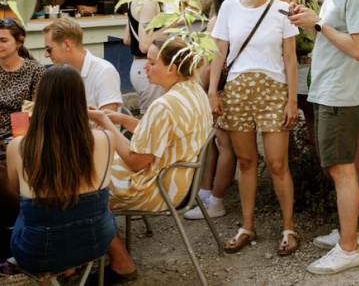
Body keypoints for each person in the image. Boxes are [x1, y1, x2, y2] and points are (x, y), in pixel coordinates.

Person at [89, 37, 211, 281]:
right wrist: (122, 120)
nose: (145, 66)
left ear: (172, 69)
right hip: (181, 180)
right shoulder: (193, 89)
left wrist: (104, 123)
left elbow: (135, 161)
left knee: (84, 189)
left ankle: (119, 263)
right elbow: (159, 135)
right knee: (90, 172)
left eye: (152, 62)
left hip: (159, 188)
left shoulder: (164, 105)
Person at [287, 0, 359, 275]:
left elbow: (357, 49)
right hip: (327, 91)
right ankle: (347, 233)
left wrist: (317, 23)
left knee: (341, 170)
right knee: (337, 168)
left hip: (340, 95)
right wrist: (311, 19)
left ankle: (349, 248)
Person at [207, 0, 300, 255]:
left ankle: (288, 228)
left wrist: (292, 100)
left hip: (274, 91)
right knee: (245, 162)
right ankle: (247, 225)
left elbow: (290, 58)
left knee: (277, 163)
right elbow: (219, 52)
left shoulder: (284, 9)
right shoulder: (230, 8)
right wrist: (212, 92)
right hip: (237, 90)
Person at [7, 65, 117, 274]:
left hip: (37, 253)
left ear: (39, 101)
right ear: (80, 100)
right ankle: (68, 268)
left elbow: (15, 190)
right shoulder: (106, 139)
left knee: (25, 209)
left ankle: (57, 270)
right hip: (97, 243)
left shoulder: (19, 146)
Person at [183, 0, 247, 221]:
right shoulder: (245, 14)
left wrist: (202, 89)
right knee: (228, 146)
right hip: (241, 83)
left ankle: (215, 200)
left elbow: (210, 62)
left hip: (220, 87)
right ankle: (211, 194)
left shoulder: (218, 19)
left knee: (223, 145)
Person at [123, 0, 180, 113]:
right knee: (153, 122)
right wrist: (173, 22)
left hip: (139, 67)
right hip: (148, 67)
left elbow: (127, 39)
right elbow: (145, 45)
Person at [43, 18, 122, 112]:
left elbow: (108, 122)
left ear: (67, 45)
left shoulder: (104, 72)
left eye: (49, 49)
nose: (46, 55)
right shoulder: (57, 74)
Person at [0, 18, 45, 134]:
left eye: (3, 40)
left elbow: (36, 113)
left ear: (19, 42)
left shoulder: (35, 71)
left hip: (24, 135)